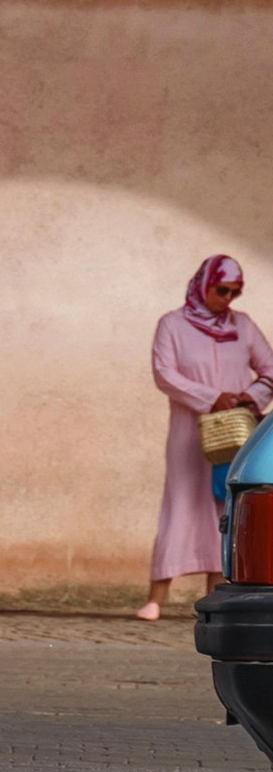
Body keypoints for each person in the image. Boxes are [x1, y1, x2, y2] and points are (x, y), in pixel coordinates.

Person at [146, 254, 273, 618]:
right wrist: (209, 397)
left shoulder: (243, 326)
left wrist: (250, 397)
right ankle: (155, 597)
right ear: (204, 284)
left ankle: (212, 595)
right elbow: (164, 372)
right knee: (181, 505)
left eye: (235, 292)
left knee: (222, 507)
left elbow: (270, 368)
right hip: (189, 435)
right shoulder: (172, 324)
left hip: (233, 435)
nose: (227, 299)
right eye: (221, 290)